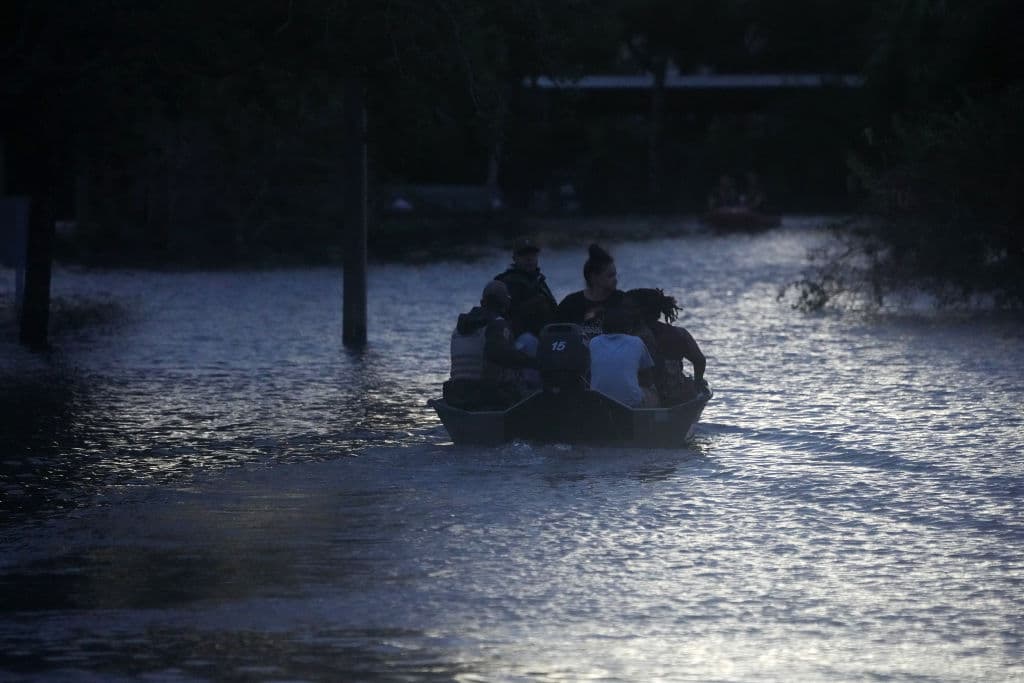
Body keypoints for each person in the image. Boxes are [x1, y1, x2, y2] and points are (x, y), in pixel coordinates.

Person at [443, 280, 537, 410]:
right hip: (485, 395)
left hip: (457, 392)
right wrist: (532, 362)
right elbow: (498, 353)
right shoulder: (498, 324)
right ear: (506, 304)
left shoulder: (458, 328)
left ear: (482, 302)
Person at [624, 287, 707, 404]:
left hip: (646, 397)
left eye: (628, 309)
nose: (624, 313)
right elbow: (699, 361)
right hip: (676, 395)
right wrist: (698, 382)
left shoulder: (630, 337)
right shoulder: (680, 333)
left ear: (638, 311)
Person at [588, 306, 657, 408]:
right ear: (629, 327)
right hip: (631, 403)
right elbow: (647, 376)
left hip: (598, 401)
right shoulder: (636, 341)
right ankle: (656, 422)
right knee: (653, 393)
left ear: (603, 326)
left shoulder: (594, 342)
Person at [556, 243, 624, 339]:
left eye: (615, 275)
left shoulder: (622, 300)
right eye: (610, 276)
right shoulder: (570, 304)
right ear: (594, 278)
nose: (615, 279)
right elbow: (556, 336)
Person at [494, 236, 558, 337]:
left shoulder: (539, 280)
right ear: (514, 258)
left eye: (532, 254)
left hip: (547, 336)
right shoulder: (506, 283)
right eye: (523, 254)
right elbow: (505, 316)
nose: (529, 258)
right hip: (520, 338)